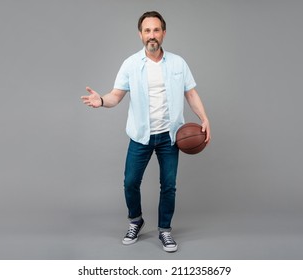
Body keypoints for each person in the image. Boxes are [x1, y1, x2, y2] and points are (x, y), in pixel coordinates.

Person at [81, 11, 211, 253]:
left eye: (156, 30)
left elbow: (191, 94)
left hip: (170, 137)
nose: (152, 35)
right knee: (130, 182)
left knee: (169, 185)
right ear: (140, 34)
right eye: (147, 30)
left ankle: (165, 230)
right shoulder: (130, 64)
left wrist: (205, 119)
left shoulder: (178, 63)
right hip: (141, 136)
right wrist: (101, 100)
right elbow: (115, 96)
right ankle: (135, 220)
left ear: (163, 33)